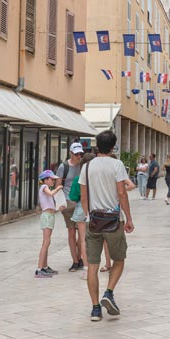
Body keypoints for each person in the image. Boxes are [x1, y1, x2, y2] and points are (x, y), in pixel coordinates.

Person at [81, 130, 134, 322]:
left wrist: (88, 215)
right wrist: (128, 218)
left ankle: (95, 308)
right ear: (113, 147)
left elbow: (84, 196)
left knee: (92, 267)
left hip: (93, 222)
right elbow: (122, 193)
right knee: (119, 259)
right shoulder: (117, 165)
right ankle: (109, 292)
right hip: (113, 221)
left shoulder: (86, 167)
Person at [58, 142, 84, 272]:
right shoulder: (64, 167)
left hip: (81, 202)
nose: (78, 156)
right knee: (72, 232)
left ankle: (80, 258)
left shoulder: (83, 166)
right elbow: (58, 185)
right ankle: (75, 260)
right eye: (76, 154)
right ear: (70, 153)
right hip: (68, 202)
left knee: (82, 234)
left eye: (80, 154)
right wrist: (59, 203)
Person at [35, 170, 64, 278]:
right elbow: (51, 193)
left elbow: (51, 206)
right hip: (47, 217)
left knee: (47, 242)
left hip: (50, 216)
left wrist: (59, 209)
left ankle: (45, 267)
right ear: (45, 180)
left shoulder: (46, 189)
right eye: (51, 179)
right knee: (46, 242)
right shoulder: (43, 187)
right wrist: (58, 188)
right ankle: (39, 269)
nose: (53, 181)